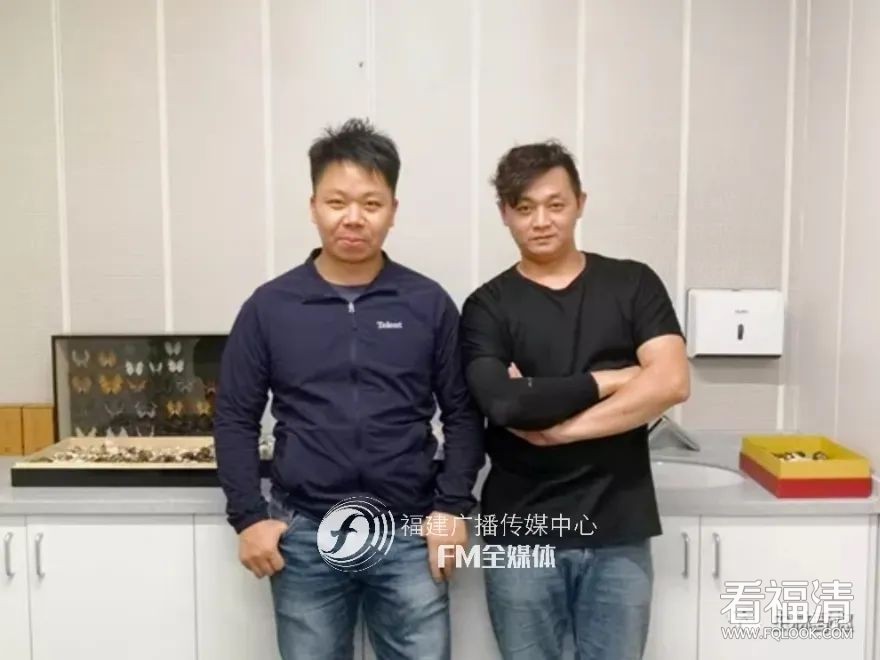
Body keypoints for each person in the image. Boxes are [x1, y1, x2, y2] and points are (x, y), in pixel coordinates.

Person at [214, 118, 484, 660]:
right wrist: (249, 516)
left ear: (393, 210)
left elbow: (462, 412)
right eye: (337, 202)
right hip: (305, 532)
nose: (353, 218)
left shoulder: (426, 303)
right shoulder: (271, 306)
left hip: (409, 532)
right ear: (313, 205)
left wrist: (454, 508)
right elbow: (235, 416)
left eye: (371, 203)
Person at [460, 140, 690, 660]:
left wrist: (558, 429)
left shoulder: (632, 283)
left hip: (619, 529)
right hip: (521, 532)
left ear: (580, 203)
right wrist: (615, 379)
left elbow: (672, 382)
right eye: (524, 208)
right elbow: (506, 406)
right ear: (505, 213)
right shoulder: (486, 306)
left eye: (555, 204)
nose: (541, 221)